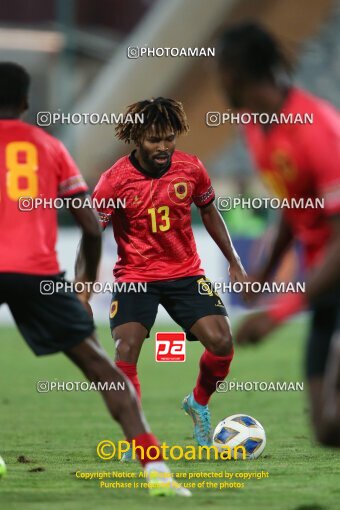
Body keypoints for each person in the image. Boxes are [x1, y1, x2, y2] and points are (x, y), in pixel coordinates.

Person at [0, 62, 191, 496]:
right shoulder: (48, 146)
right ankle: (157, 472)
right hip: (38, 273)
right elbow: (90, 226)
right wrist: (81, 287)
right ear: (27, 103)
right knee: (104, 371)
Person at [82, 97, 247, 459]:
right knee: (126, 349)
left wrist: (233, 260)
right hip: (135, 276)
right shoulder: (114, 181)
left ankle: (198, 403)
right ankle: (137, 438)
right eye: (155, 139)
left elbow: (209, 210)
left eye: (169, 138)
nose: (163, 147)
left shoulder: (191, 169)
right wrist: (85, 283)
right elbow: (92, 234)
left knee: (222, 343)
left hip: (185, 273)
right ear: (137, 137)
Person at [217, 23, 340, 447]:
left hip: (334, 269)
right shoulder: (254, 127)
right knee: (328, 430)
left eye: (221, 72)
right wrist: (262, 278)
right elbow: (295, 207)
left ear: (235, 72)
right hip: (329, 286)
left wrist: (277, 314)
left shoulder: (316, 129)